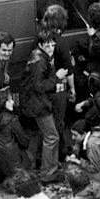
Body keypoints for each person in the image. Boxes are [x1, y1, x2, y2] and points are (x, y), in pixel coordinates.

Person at [21, 30, 62, 182]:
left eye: (53, 44)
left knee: (40, 135)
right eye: (48, 45)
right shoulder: (40, 61)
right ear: (40, 45)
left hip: (34, 103)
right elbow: (39, 86)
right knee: (52, 137)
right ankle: (48, 172)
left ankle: (40, 167)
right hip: (39, 104)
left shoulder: (37, 56)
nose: (51, 47)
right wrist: (56, 78)